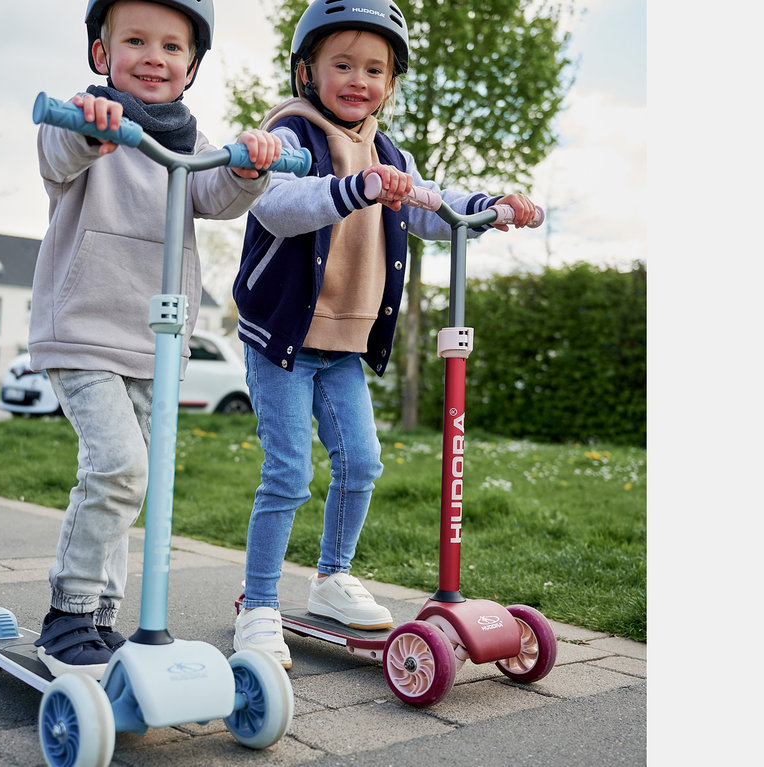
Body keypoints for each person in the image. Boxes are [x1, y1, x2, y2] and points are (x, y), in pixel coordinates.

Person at [231, 0, 538, 670]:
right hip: (281, 335)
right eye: (342, 64)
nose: (359, 79)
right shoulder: (291, 131)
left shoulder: (389, 148)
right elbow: (278, 206)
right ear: (308, 68)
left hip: (343, 343)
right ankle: (257, 605)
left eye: (375, 68)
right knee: (288, 471)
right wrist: (355, 187)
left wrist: (489, 207)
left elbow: (433, 207)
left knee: (362, 463)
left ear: (391, 82)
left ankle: (331, 575)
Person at [28, 0, 282, 680]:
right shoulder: (87, 118)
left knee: (132, 480)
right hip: (82, 331)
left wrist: (250, 165)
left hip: (154, 342)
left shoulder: (190, 144)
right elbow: (57, 154)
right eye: (135, 40)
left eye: (172, 47)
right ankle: (70, 613)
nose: (154, 56)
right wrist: (88, 126)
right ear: (101, 54)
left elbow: (220, 196)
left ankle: (100, 620)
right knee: (118, 467)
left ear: (191, 67)